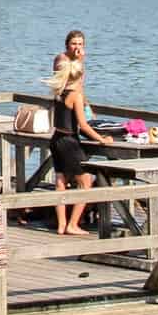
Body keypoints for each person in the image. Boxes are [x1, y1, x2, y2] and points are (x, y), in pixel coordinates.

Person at [47, 58, 110, 235]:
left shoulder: (59, 92)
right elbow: (83, 124)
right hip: (69, 141)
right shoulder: (76, 95)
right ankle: (73, 224)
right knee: (85, 182)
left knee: (60, 182)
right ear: (80, 78)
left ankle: (61, 224)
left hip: (56, 139)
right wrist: (101, 139)